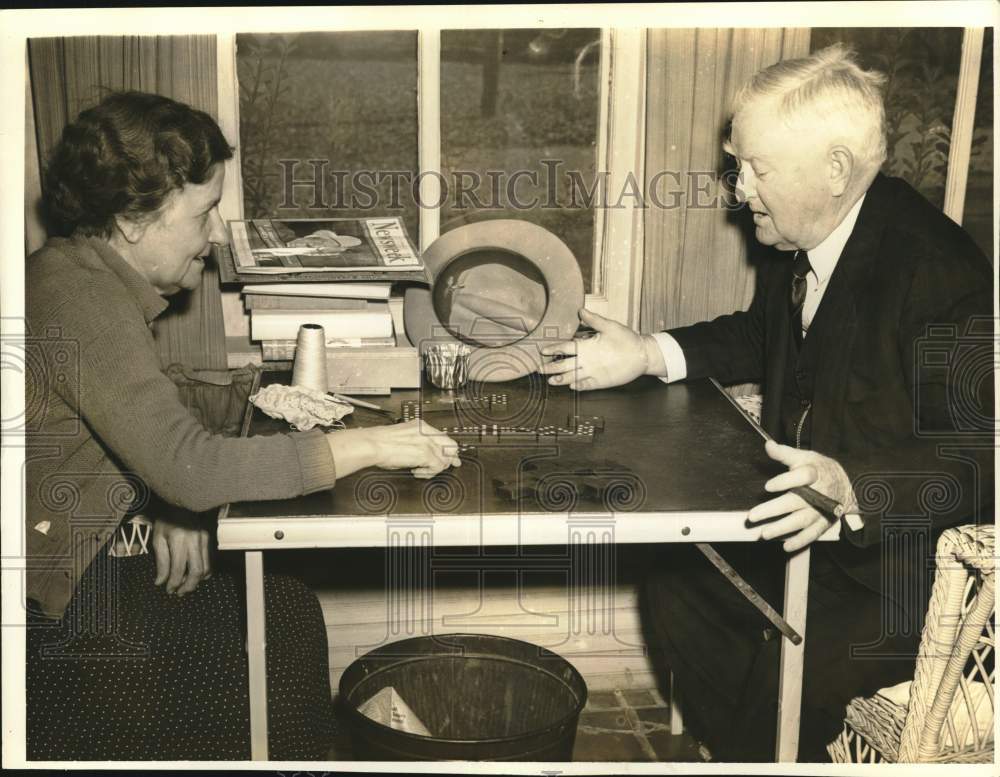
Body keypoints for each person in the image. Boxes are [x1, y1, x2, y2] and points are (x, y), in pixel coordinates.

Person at [539, 45, 993, 761]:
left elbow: (980, 454)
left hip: (903, 577)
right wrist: (648, 351)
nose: (739, 188)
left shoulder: (941, 272)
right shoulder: (812, 231)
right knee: (676, 577)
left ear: (835, 170)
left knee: (792, 664)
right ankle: (758, 750)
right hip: (812, 540)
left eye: (756, 168)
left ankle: (766, 747)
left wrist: (848, 486)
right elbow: (763, 335)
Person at [25, 91, 460, 760]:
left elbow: (140, 406)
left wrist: (257, 397)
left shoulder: (80, 274)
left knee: (283, 608)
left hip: (89, 564)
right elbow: (190, 467)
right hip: (50, 618)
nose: (214, 234)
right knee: (272, 656)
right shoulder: (81, 296)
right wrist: (367, 443)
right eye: (203, 213)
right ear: (136, 218)